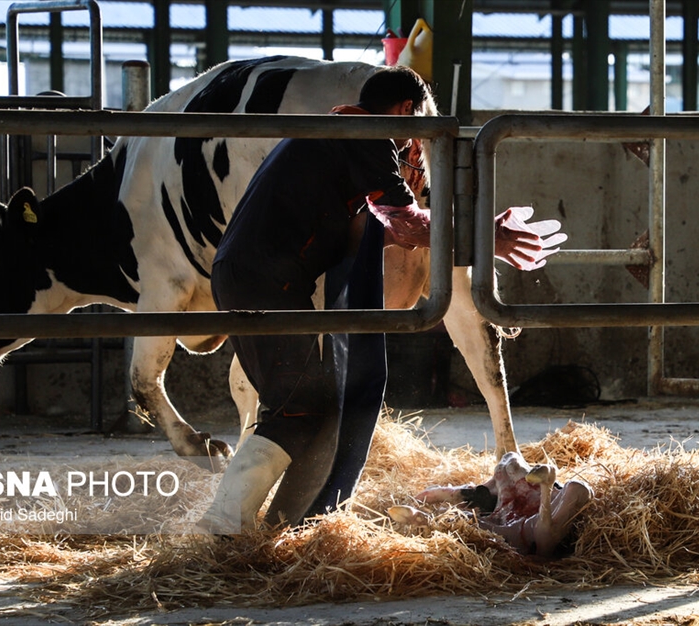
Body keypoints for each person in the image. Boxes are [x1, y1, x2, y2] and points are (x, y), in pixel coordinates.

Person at [199, 66, 564, 535]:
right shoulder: (368, 137)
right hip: (264, 279)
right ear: (408, 112)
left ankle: (277, 525)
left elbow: (379, 228)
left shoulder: (336, 136)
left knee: (306, 405)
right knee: (298, 407)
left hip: (251, 275)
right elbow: (406, 223)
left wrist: (471, 231)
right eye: (420, 132)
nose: (416, 150)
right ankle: (223, 525)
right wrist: (486, 235)